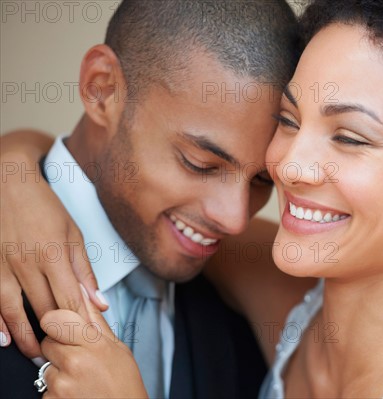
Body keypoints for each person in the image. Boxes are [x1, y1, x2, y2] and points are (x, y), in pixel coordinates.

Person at [3, 0, 383, 397]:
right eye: (289, 119)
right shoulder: (282, 286)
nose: (287, 164)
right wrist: (17, 174)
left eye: (349, 136)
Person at [0, 0, 316, 398]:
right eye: (199, 163)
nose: (235, 220)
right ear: (103, 89)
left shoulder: (247, 318)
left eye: (261, 181)